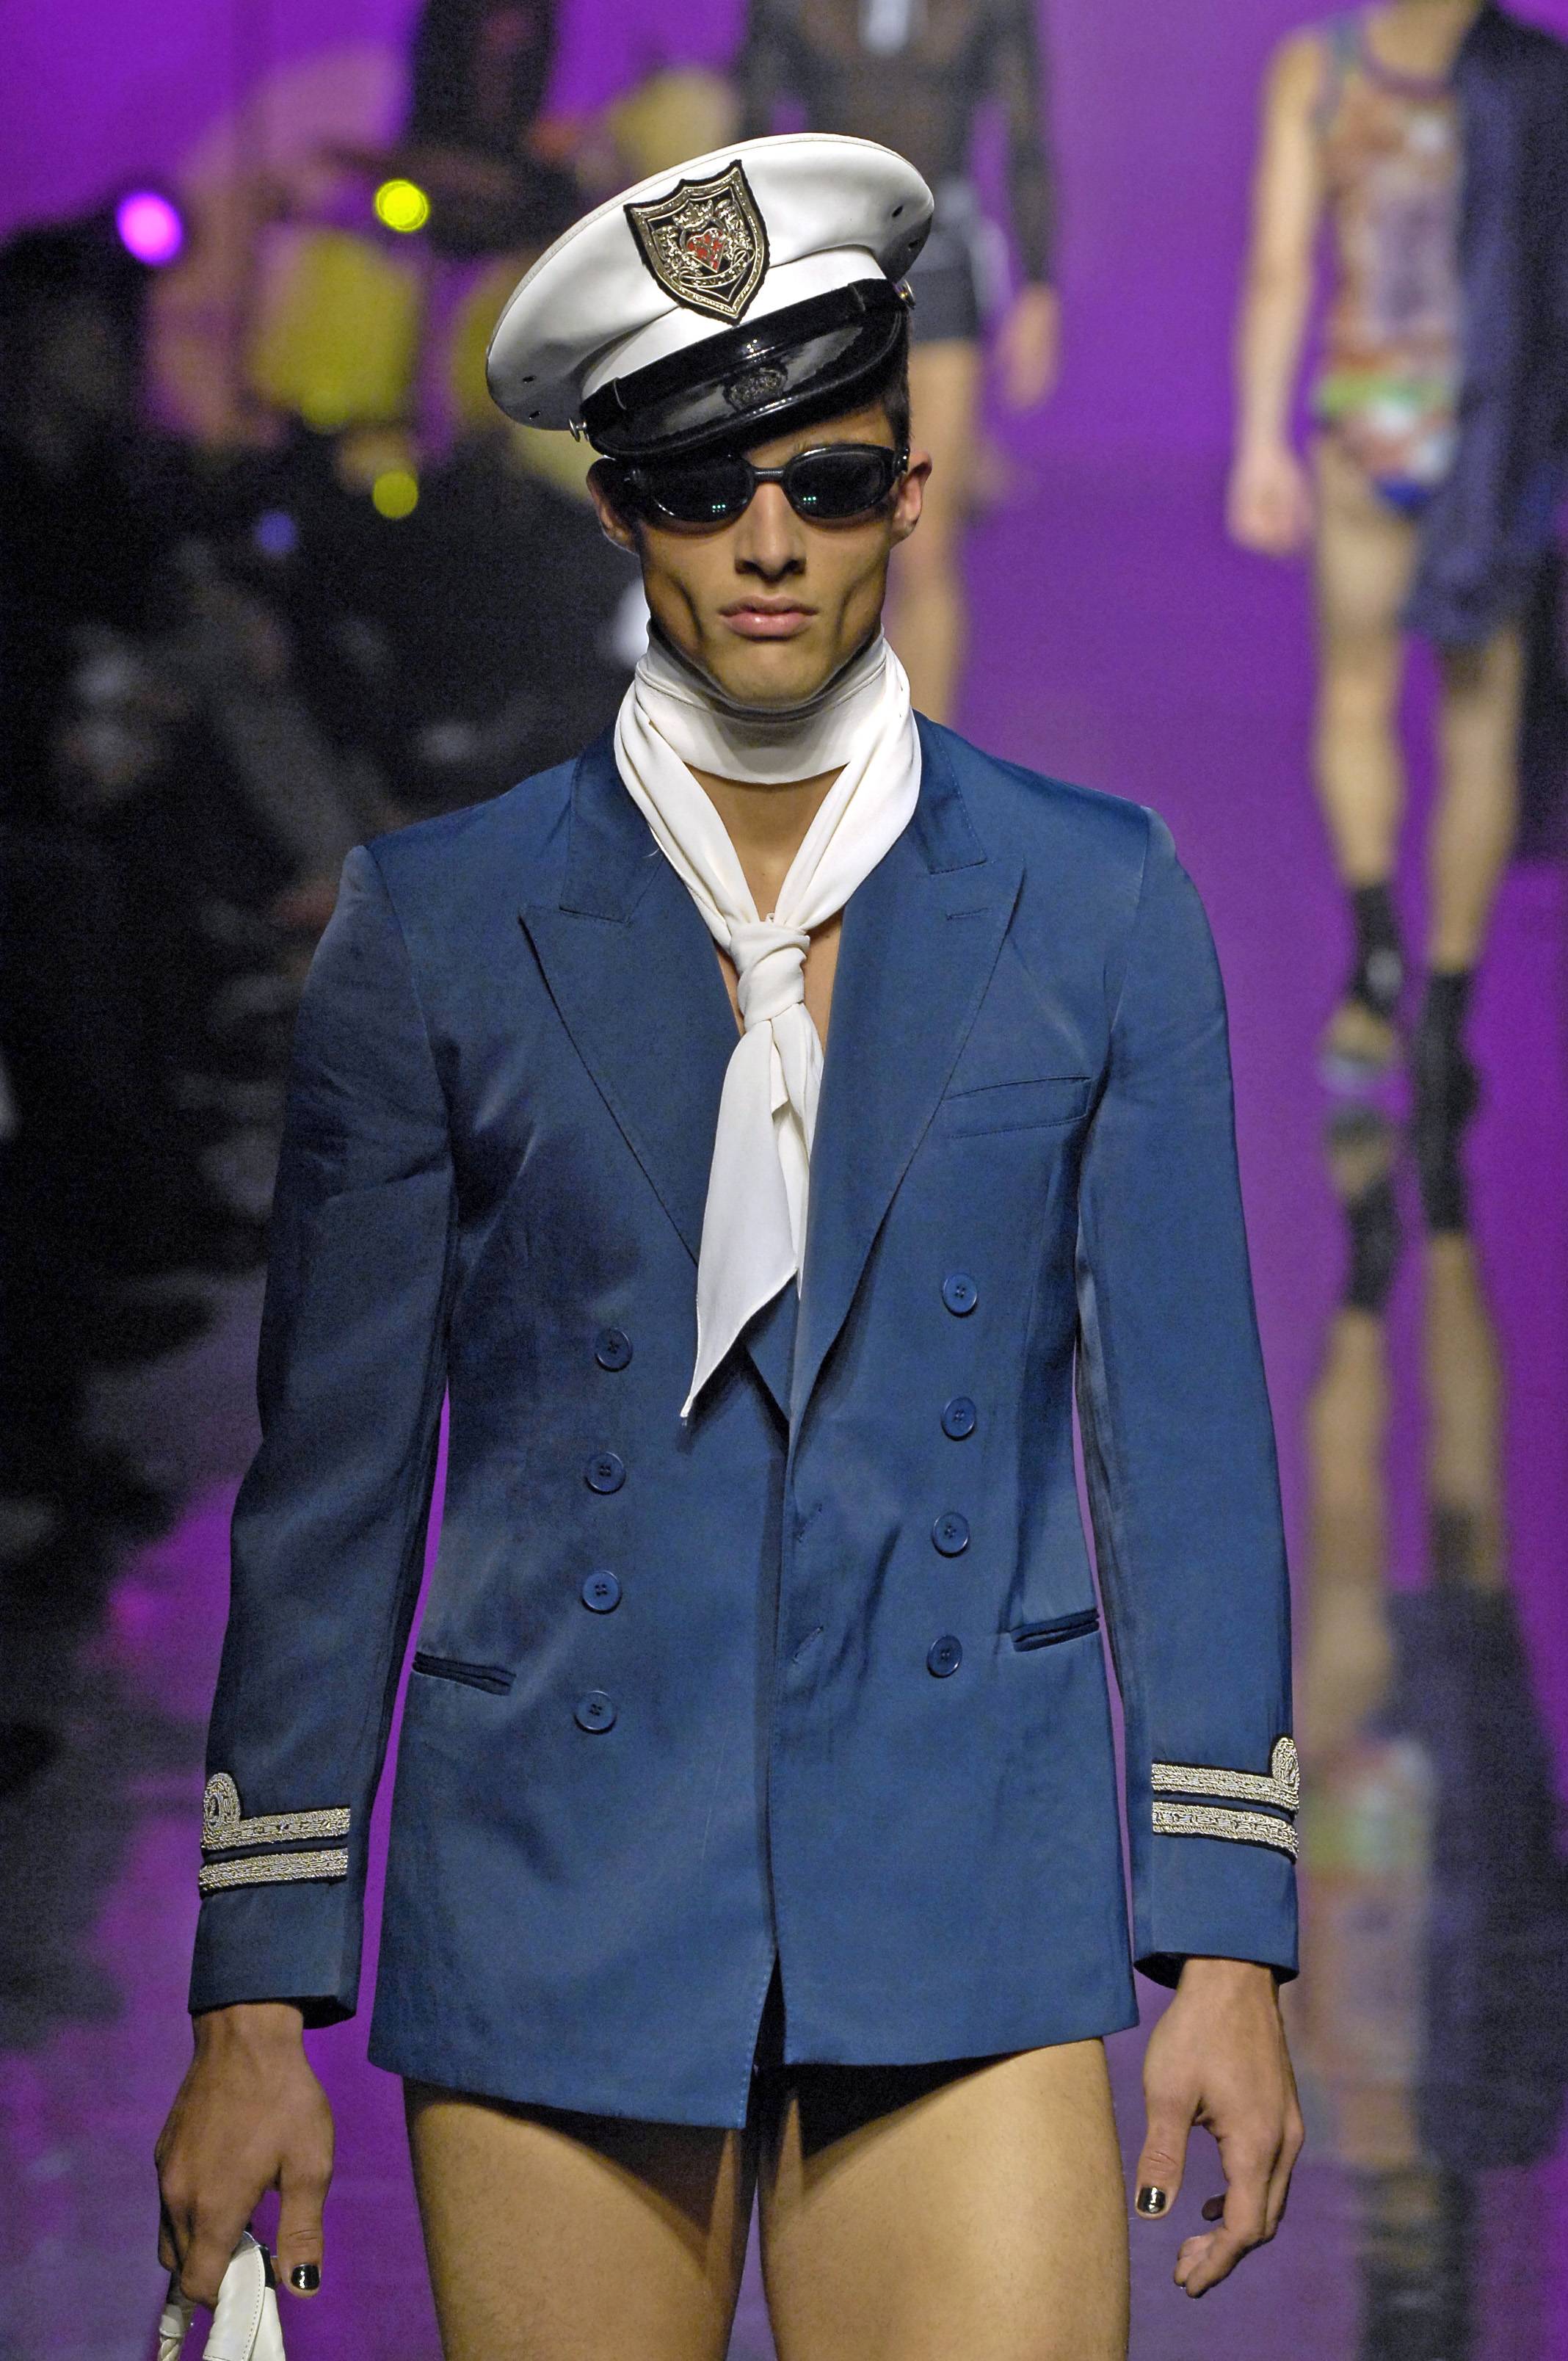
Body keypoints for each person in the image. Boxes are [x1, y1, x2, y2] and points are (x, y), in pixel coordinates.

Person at [156, 134, 1302, 2358]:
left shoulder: (1096, 904)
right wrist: (251, 1998)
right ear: (618, 512)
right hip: (557, 1875)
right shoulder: (437, 931)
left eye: (827, 477)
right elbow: (330, 1497)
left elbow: (1186, 1454)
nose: (767, 540)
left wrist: (1229, 1944)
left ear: (908, 488)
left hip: (964, 1882)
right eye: (699, 487)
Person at [1227, 0, 1568, 1111]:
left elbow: (1280, 267)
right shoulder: (1532, 76)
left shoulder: (1320, 70)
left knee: (1356, 696)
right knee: (1481, 723)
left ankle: (1378, 963)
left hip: (1367, 432)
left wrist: (1260, 443)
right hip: (1496, 442)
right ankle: (1450, 1012)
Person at [736, 0, 1061, 722]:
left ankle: (919, 765)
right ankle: (824, 755)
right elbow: (746, 139)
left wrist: (1039, 289)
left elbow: (1026, 137)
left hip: (937, 270)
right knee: (821, 538)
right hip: (821, 278)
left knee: (923, 545)